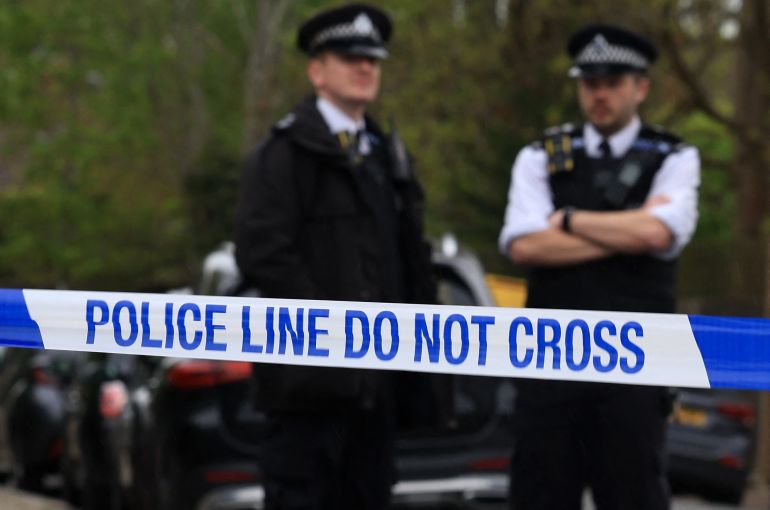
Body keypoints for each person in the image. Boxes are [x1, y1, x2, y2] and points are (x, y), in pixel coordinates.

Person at [234, 4, 436, 510]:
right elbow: (262, 253)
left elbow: (410, 262)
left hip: (378, 388)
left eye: (372, 60)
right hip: (309, 391)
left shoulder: (388, 157)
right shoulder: (285, 152)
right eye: (349, 58)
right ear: (316, 70)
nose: (365, 68)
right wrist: (331, 332)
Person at [498, 24, 700, 510]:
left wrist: (568, 221)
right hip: (550, 366)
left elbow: (658, 234)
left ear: (641, 87)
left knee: (634, 495)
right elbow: (524, 247)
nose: (600, 93)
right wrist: (626, 233)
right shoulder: (540, 156)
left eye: (613, 82)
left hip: (636, 367)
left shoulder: (673, 156)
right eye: (590, 83)